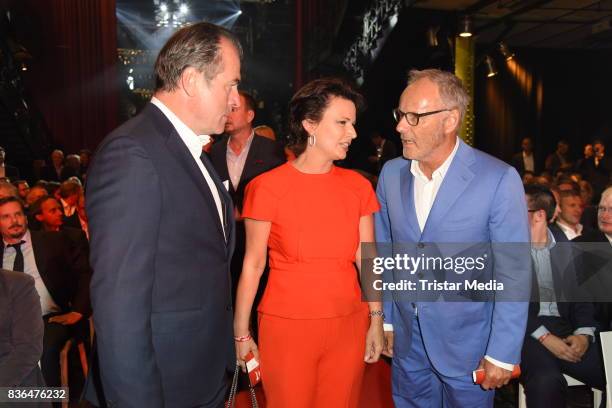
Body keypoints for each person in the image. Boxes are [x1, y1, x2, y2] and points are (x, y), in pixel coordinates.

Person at [85, 22, 241, 408]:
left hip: (202, 374)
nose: (236, 100)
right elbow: (120, 308)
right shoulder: (133, 154)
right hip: (160, 386)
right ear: (191, 80)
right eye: (230, 85)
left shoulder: (193, 152)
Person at [375, 69, 531, 407]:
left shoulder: (499, 179)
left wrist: (502, 353)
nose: (400, 126)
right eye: (400, 115)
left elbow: (513, 271)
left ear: (450, 120)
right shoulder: (390, 174)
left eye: (414, 117)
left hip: (469, 346)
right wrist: (385, 318)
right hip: (406, 342)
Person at [233, 78, 384, 407]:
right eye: (342, 123)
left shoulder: (358, 187)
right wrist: (241, 333)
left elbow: (367, 257)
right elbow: (253, 264)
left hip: (348, 323)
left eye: (353, 124)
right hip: (286, 328)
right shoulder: (266, 187)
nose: (353, 133)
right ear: (309, 124)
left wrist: (376, 318)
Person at [521, 184, 605, 407]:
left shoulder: (567, 248)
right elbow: (508, 306)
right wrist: (545, 338)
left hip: (567, 330)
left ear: (538, 215)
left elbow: (583, 301)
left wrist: (584, 334)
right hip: (526, 332)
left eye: (515, 208)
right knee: (545, 381)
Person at [0, 196, 91, 393]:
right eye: (6, 217)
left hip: (50, 320)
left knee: (36, 351)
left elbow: (85, 273)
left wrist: (78, 310)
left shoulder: (53, 241)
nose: (14, 221)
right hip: (7, 326)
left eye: (17, 214)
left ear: (26, 217)